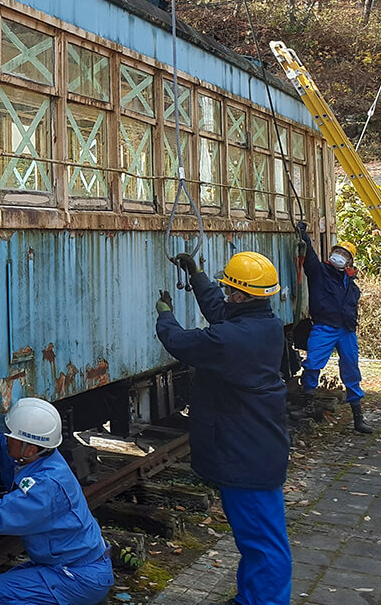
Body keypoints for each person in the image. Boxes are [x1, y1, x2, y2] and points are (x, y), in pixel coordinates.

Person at [156, 251, 291, 605]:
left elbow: (181, 342)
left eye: (230, 289)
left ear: (242, 296)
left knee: (262, 543)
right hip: (256, 450)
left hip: (246, 457)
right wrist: (197, 276)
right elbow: (222, 311)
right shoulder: (265, 324)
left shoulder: (231, 339)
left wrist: (165, 316)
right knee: (256, 539)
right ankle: (250, 598)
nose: (226, 294)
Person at [0, 397, 113, 605]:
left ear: (30, 448)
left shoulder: (47, 485)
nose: (6, 438)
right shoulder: (32, 455)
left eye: (10, 436)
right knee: (10, 583)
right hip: (73, 566)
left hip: (81, 577)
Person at [295, 222, 373, 433]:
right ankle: (307, 405)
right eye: (337, 252)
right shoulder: (319, 272)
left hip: (346, 331)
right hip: (324, 327)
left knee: (351, 369)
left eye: (344, 254)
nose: (339, 256)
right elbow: (310, 255)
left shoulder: (352, 285)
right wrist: (304, 235)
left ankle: (358, 418)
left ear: (349, 262)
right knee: (312, 364)